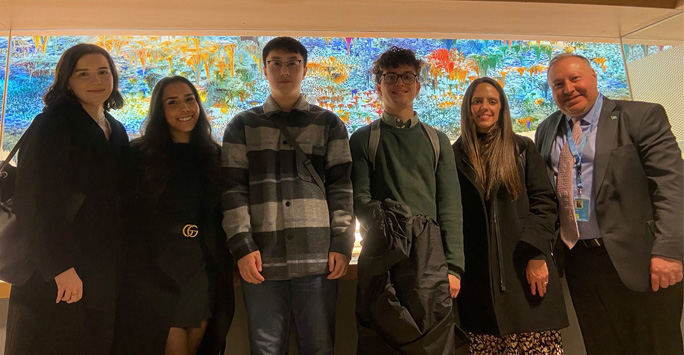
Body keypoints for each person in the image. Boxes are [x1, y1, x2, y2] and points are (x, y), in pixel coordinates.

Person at [535, 53, 683, 355]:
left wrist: (668, 250)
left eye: (575, 79)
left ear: (593, 77)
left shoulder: (640, 116)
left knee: (657, 347)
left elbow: (672, 186)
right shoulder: (547, 129)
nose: (568, 89)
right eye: (557, 84)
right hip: (580, 263)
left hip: (642, 259)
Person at [221, 36, 354, 354]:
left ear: (305, 69)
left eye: (293, 63)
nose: (284, 70)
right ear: (264, 70)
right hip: (262, 260)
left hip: (317, 258)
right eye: (276, 63)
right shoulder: (242, 125)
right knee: (265, 348)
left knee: (320, 346)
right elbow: (232, 190)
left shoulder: (328, 124)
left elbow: (341, 187)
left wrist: (342, 243)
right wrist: (242, 246)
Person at [5, 43, 129, 354]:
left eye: (103, 72)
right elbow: (34, 199)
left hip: (100, 265)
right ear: (67, 81)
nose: (95, 80)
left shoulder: (115, 129)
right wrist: (60, 267)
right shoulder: (52, 124)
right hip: (52, 268)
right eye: (83, 74)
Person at [349, 46, 463, 354]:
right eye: (391, 76)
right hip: (381, 257)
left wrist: (453, 267)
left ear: (418, 85)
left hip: (430, 261)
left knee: (430, 343)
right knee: (381, 340)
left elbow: (450, 206)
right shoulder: (363, 139)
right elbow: (359, 200)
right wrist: (398, 223)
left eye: (407, 76)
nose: (400, 83)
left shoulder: (436, 140)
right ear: (378, 85)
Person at [112, 76, 234, 355]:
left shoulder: (215, 155)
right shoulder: (138, 154)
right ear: (160, 110)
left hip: (201, 269)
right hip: (157, 271)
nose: (184, 108)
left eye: (189, 99)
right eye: (173, 102)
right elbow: (125, 216)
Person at [453, 77, 568, 354]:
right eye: (477, 101)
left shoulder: (521, 149)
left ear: (502, 108)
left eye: (492, 101)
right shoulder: (454, 155)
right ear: (468, 107)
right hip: (479, 283)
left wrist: (536, 254)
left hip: (525, 271)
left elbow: (544, 204)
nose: (485, 107)